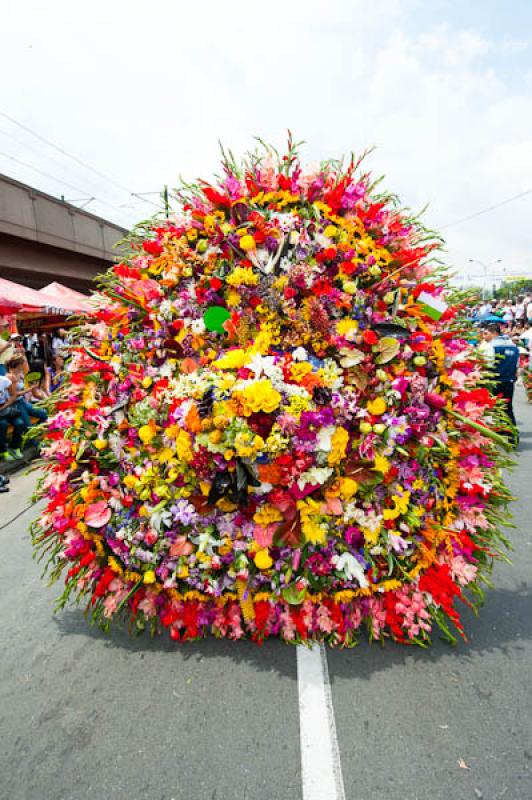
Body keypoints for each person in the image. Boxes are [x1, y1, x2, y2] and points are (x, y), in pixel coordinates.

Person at [483, 324, 519, 441]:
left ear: (494, 333)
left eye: (486, 333)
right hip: (509, 382)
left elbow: (488, 365)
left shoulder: (491, 346)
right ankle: (512, 434)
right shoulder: (514, 346)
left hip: (494, 382)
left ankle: (496, 435)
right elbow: (517, 366)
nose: (484, 336)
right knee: (507, 408)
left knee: (493, 408)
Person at [0, 371, 25, 461]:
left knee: (19, 423)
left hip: (7, 408)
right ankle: (3, 450)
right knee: (3, 425)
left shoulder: (3, 380)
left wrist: (5, 406)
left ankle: (14, 447)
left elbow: (14, 395)